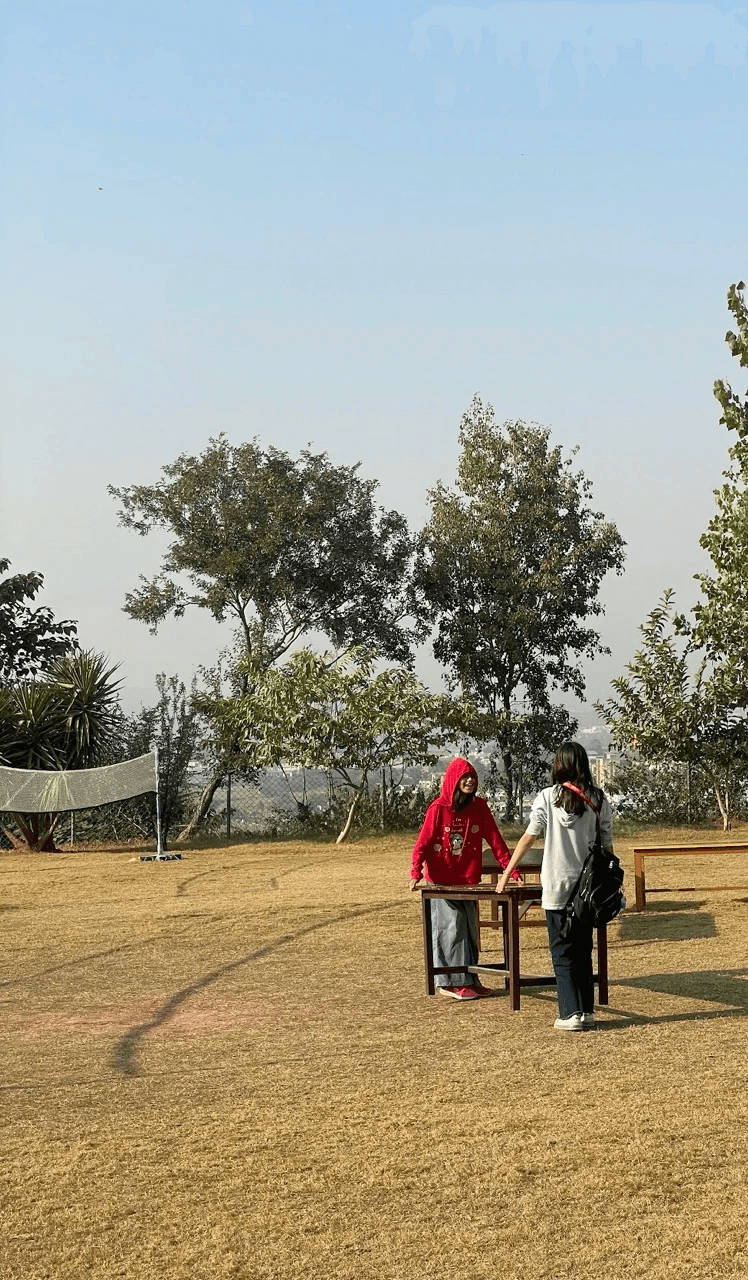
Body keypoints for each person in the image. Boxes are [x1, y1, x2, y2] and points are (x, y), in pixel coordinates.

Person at [496, 741, 614, 1032]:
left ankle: (569, 1012)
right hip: (588, 891)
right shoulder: (598, 799)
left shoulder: (548, 797)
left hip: (557, 886)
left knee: (562, 952)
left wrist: (507, 872)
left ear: (559, 766)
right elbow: (608, 845)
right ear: (584, 764)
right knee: (583, 950)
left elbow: (529, 837)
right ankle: (587, 1011)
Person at [410, 756, 518, 1001]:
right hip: (441, 881)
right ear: (453, 780)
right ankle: (449, 981)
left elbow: (495, 840)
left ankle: (470, 978)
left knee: (469, 930)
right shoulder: (438, 809)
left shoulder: (479, 807)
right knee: (451, 928)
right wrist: (415, 872)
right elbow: (423, 843)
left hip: (467, 880)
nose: (469, 781)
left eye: (472, 777)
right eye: (464, 777)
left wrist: (511, 869)